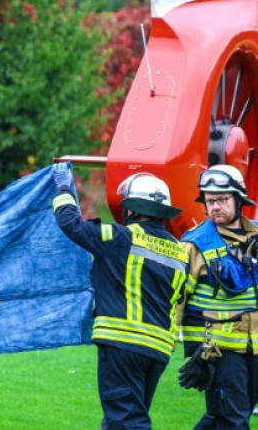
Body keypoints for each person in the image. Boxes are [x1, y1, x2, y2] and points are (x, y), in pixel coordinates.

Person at [52, 165, 186, 429]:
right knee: (121, 418)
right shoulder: (180, 251)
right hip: (157, 351)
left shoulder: (121, 237)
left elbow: (70, 223)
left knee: (127, 421)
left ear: (133, 209)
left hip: (124, 344)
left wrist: (64, 187)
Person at [179, 164, 258, 429]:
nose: (215, 207)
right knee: (233, 420)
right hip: (217, 350)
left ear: (238, 200)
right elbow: (176, 298)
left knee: (229, 415)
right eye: (210, 201)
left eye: (222, 200)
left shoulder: (256, 237)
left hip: (255, 346)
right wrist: (179, 348)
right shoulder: (194, 243)